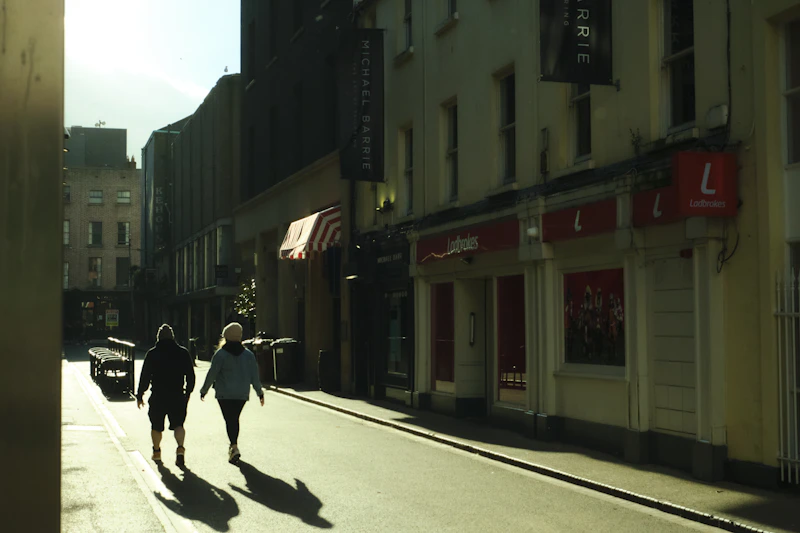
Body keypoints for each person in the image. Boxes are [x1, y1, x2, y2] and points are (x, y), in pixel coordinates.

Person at [200, 322, 264, 464]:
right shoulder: (248, 355)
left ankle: (234, 446)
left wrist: (203, 390)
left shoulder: (220, 354)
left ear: (226, 336)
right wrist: (259, 392)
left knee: (230, 419)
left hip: (224, 394)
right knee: (234, 418)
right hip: (241, 394)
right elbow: (254, 376)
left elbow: (212, 374)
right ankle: (233, 446)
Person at [136, 324, 195, 466]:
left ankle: (156, 452)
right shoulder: (183, 352)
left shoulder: (152, 353)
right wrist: (188, 392)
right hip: (177, 395)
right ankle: (180, 449)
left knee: (156, 426)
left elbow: (145, 376)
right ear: (173, 337)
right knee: (179, 424)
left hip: (158, 396)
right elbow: (190, 375)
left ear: (158, 337)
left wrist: (140, 394)